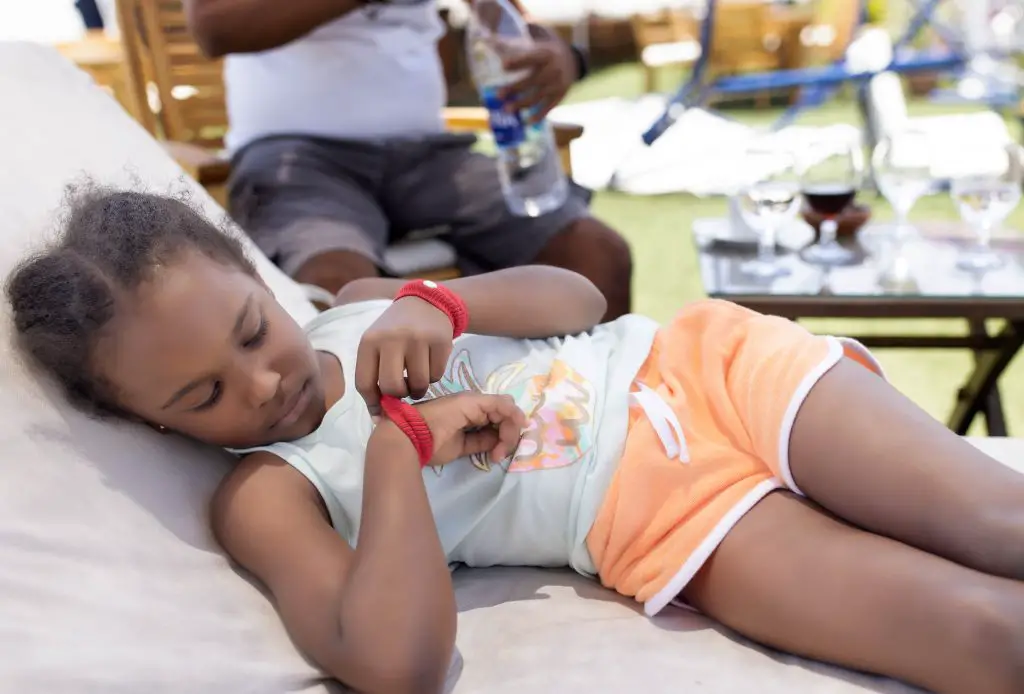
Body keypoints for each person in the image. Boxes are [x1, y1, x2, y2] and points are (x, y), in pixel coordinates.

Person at [9, 187, 1024, 694]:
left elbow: (579, 297)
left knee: (998, 516)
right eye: (202, 396)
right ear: (148, 422)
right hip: (659, 516)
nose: (265, 381)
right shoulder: (268, 494)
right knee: (976, 631)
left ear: (251, 272)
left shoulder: (361, 304)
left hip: (715, 371)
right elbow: (392, 664)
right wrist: (395, 455)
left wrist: (442, 302)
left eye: (249, 330)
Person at [184, 0, 633, 321]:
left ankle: (601, 430)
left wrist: (561, 58)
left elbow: (509, 18)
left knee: (596, 254)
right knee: (340, 291)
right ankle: (386, 449)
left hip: (426, 155)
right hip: (297, 157)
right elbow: (213, 24)